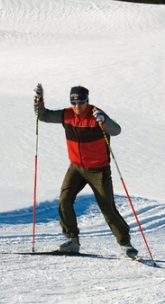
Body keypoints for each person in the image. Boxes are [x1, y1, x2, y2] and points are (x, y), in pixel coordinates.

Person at [33, 84, 138, 258]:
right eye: (74, 103)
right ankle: (72, 240)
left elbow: (116, 131)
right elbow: (42, 115)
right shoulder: (66, 114)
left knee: (107, 208)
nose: (77, 106)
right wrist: (38, 100)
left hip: (98, 170)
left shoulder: (97, 115)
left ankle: (125, 244)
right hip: (76, 168)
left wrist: (105, 121)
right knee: (64, 200)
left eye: (81, 103)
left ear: (87, 101)